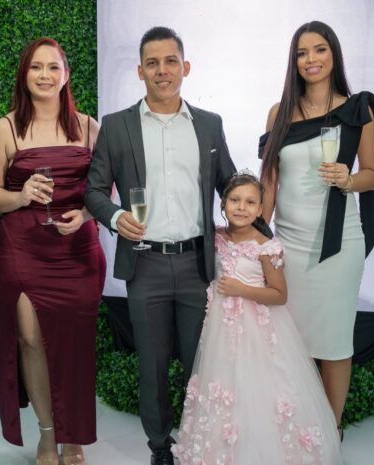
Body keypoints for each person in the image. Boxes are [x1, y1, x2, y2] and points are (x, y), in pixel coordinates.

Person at [85, 26, 237, 465]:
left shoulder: (209, 124)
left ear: (185, 67)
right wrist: (116, 217)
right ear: (140, 71)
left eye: (171, 61)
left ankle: (198, 442)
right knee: (151, 365)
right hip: (145, 264)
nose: (162, 70)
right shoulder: (117, 126)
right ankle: (159, 448)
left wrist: (255, 224)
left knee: (200, 363)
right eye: (152, 63)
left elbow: (229, 185)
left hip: (196, 264)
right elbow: (94, 190)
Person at [0, 37, 105, 465]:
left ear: (66, 75)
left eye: (53, 67)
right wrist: (20, 196)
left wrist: (86, 214)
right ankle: (48, 434)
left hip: (78, 250)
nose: (45, 75)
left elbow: (106, 191)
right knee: (31, 340)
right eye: (36, 67)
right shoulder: (4, 128)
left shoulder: (89, 127)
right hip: (21, 249)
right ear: (24, 74)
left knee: (76, 342)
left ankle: (75, 436)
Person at [260, 20, 374, 437]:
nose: (310, 59)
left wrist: (347, 180)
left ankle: (330, 431)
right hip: (288, 246)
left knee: (333, 341)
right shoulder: (279, 113)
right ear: (293, 62)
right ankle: (295, 425)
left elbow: (373, 174)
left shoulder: (358, 109)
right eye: (302, 53)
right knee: (289, 342)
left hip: (339, 245)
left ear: (334, 54)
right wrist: (257, 237)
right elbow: (269, 182)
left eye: (319, 49)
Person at [171, 172, 342, 465]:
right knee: (224, 385)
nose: (242, 207)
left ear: (261, 208)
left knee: (257, 387)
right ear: (223, 203)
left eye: (250, 202)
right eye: (235, 200)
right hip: (220, 328)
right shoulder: (216, 238)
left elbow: (279, 294)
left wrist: (242, 289)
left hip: (255, 329)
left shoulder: (266, 246)